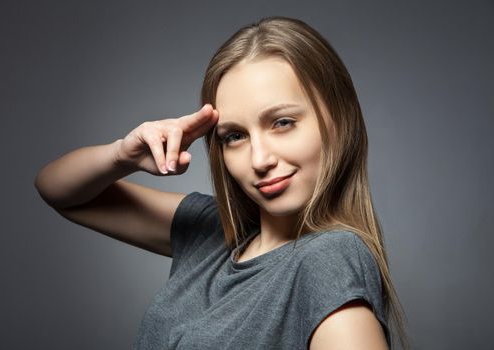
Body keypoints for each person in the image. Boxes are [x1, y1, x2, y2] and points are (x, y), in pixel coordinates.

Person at [34, 16, 410, 350]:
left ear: (337, 121)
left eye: (282, 123)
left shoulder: (328, 260)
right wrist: (122, 155)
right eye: (234, 136)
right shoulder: (212, 233)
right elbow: (58, 190)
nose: (259, 160)